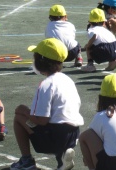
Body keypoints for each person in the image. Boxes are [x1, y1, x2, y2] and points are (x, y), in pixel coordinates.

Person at [11, 38, 83, 170]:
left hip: (54, 137)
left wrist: (25, 111)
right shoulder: (68, 80)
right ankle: (62, 158)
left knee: (19, 117)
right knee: (56, 118)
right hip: (73, 134)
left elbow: (42, 120)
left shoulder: (45, 85)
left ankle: (27, 160)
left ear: (40, 61)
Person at [81, 8, 116, 73]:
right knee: (107, 47)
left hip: (104, 51)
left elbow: (94, 36)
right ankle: (114, 60)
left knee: (89, 47)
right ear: (104, 23)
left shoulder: (91, 30)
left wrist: (88, 46)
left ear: (89, 22)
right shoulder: (106, 31)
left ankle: (90, 65)